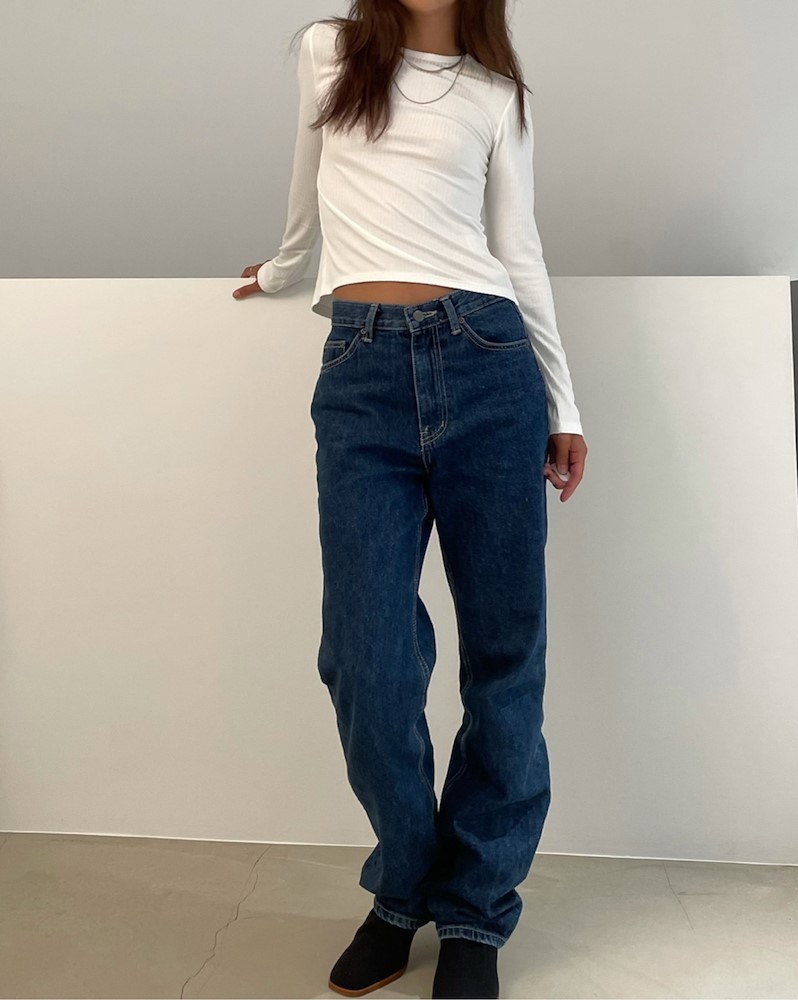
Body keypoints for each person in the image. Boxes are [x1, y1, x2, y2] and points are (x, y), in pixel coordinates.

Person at [233, 1, 587, 996]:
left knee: (504, 657)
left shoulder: (496, 94)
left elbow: (518, 248)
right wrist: (286, 269)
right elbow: (307, 188)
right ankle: (406, 883)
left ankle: (473, 912)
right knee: (366, 657)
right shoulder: (330, 50)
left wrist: (564, 403)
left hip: (488, 361)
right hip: (361, 371)